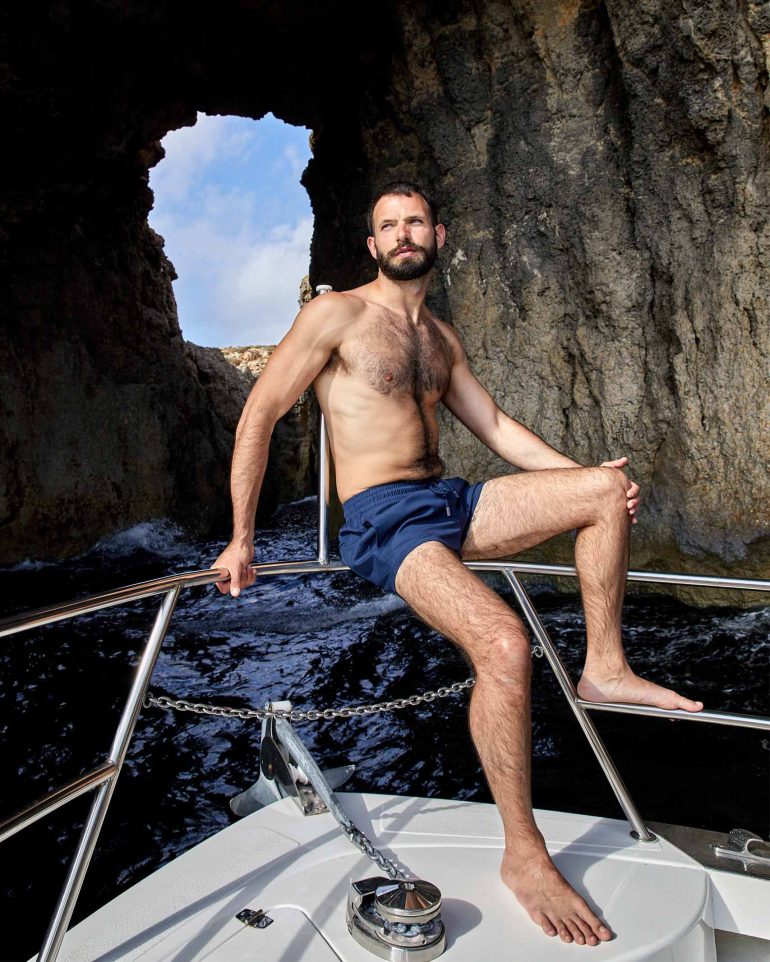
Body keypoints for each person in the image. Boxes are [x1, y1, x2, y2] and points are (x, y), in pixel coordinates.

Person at [212, 181, 704, 947]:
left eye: (415, 222)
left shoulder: (440, 338)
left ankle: (605, 668)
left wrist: (580, 476)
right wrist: (242, 536)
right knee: (503, 642)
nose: (403, 234)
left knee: (605, 491)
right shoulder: (334, 315)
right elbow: (259, 415)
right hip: (384, 519)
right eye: (388, 226)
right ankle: (524, 855)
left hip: (448, 498)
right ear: (372, 245)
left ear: (437, 236)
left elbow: (496, 426)